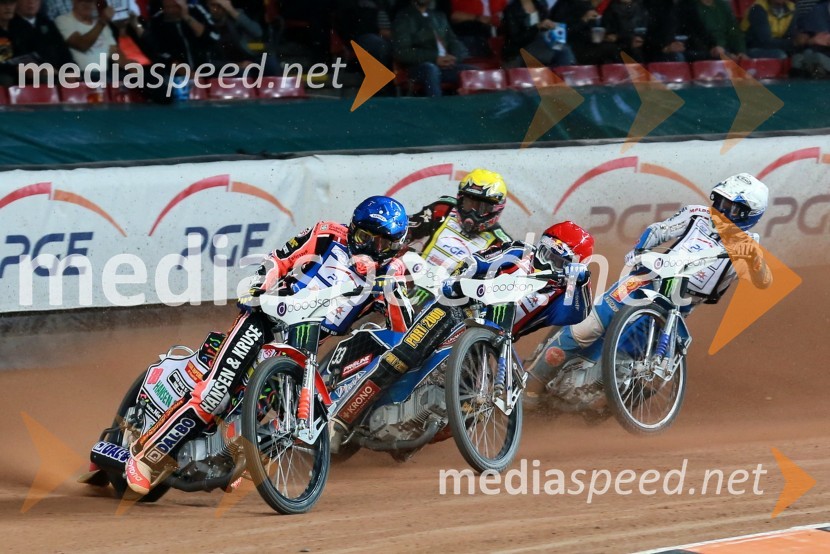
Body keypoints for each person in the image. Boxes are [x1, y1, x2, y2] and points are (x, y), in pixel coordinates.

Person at [125, 196, 414, 495]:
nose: (371, 248)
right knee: (215, 392)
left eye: (383, 244)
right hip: (266, 319)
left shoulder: (392, 272)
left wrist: (389, 290)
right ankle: (146, 456)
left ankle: (231, 455)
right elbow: (279, 259)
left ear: (397, 246)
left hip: (304, 345)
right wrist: (258, 287)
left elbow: (401, 327)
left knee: (273, 404)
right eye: (366, 238)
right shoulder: (326, 234)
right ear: (353, 229)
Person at [329, 220, 595, 449]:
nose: (549, 262)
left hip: (493, 341)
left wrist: (581, 282)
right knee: (406, 353)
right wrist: (455, 280)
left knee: (471, 405)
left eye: (562, 261)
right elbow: (475, 262)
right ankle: (340, 421)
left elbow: (577, 314)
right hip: (456, 308)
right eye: (548, 253)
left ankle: (413, 433)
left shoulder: (561, 293)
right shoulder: (517, 252)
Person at [534, 173, 773, 387]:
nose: (721, 210)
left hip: (679, 305)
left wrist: (755, 262)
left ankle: (602, 394)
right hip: (647, 279)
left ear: (748, 215)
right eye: (720, 202)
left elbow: (763, 281)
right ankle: (534, 380)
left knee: (628, 360)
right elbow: (660, 230)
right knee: (588, 327)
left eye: (731, 208)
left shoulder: (750, 245)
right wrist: (640, 250)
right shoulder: (696, 214)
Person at [404, 168, 513, 307]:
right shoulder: (444, 209)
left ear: (495, 209)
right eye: (469, 203)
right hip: (410, 284)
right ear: (460, 200)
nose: (472, 213)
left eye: (481, 207)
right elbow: (405, 229)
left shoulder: (500, 243)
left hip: (447, 307)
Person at [392, 0, 473, 97]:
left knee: (472, 71)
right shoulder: (403, 18)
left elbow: (454, 42)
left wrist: (453, 58)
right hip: (418, 68)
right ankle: (436, 109)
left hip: (445, 65)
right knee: (431, 69)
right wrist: (435, 58)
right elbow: (401, 52)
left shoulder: (439, 16)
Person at [9, 0, 74, 81]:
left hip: (58, 74)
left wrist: (70, 70)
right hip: (30, 78)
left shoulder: (47, 23)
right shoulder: (9, 25)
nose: (31, 2)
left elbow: (64, 51)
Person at [501, 0, 577, 67]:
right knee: (562, 51)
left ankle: (565, 77)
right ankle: (566, 77)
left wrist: (550, 25)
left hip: (541, 43)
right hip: (521, 48)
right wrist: (537, 27)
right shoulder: (510, 10)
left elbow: (547, 23)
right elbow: (516, 38)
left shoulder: (540, 4)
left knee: (563, 48)